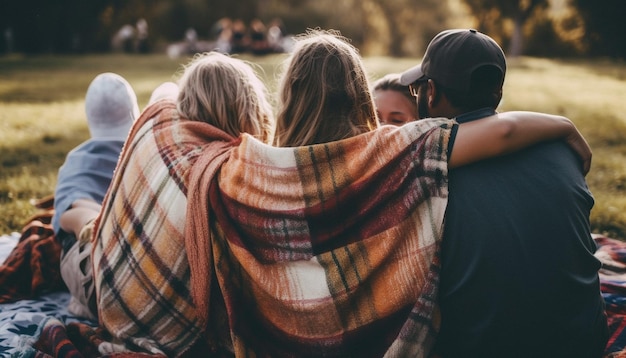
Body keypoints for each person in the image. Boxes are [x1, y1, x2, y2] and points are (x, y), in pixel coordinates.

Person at [398, 28, 608, 357]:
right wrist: (564, 124)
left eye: (416, 88)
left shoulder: (422, 166)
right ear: (496, 93)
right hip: (584, 342)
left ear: (432, 92)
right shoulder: (560, 148)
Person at [64, 51, 275, 356]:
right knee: (80, 228)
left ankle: (80, 222)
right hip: (175, 329)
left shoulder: (157, 126)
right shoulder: (235, 178)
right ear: (250, 107)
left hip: (103, 290)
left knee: (71, 247)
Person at [52, 72, 139, 321]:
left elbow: (64, 212)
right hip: (135, 254)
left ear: (90, 119)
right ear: (135, 114)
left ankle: (86, 300)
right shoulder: (141, 154)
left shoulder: (76, 162)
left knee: (73, 215)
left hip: (94, 266)